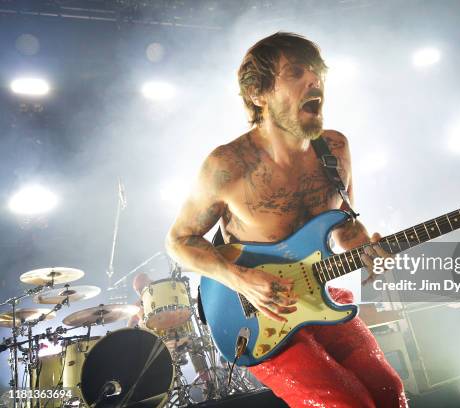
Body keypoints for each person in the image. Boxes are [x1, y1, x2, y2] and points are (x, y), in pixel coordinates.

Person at [165, 32, 407, 407]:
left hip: (319, 296)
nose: (315, 81)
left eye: (317, 72)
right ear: (258, 93)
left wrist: (364, 249)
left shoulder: (336, 148)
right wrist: (241, 280)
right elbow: (179, 240)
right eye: (296, 72)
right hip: (257, 317)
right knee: (346, 402)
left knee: (389, 391)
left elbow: (345, 225)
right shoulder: (227, 165)